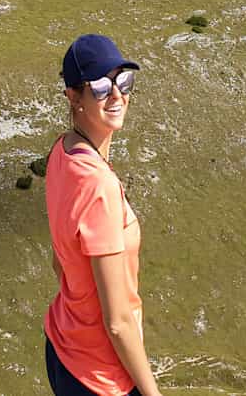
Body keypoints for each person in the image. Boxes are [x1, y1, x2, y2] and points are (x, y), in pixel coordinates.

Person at [43, 34, 163, 396]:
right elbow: (119, 323)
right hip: (100, 378)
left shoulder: (62, 152)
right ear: (73, 96)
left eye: (123, 80)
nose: (116, 95)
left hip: (63, 349)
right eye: (99, 86)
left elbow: (59, 261)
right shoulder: (99, 188)